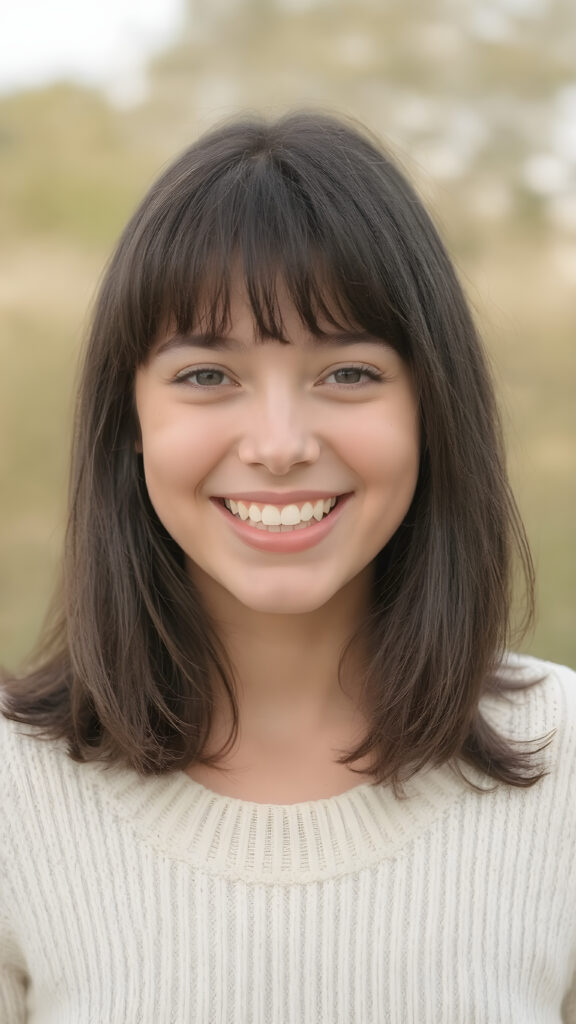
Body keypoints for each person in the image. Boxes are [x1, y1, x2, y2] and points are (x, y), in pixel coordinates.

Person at [0, 110, 574, 1023]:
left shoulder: (567, 762)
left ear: (434, 410)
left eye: (347, 373)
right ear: (129, 422)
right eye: (205, 376)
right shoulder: (12, 793)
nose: (278, 446)